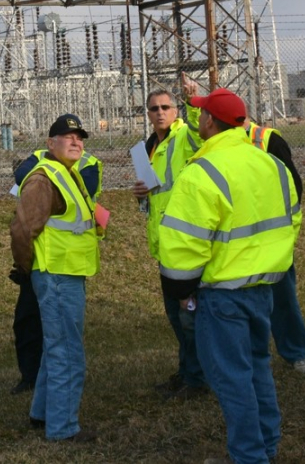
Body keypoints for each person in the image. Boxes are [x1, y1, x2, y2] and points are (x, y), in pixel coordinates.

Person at [156, 88, 300, 464]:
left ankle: (249, 456)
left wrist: (182, 291)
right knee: (257, 367)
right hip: (263, 287)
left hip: (221, 294)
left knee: (232, 378)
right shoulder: (272, 164)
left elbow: (183, 246)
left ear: (208, 122)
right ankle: (266, 446)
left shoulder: (201, 172)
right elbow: (292, 217)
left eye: (201, 114)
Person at [10, 114, 103, 443]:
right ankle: (63, 429)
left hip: (68, 272)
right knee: (67, 353)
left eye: (80, 137)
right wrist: (27, 270)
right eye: (67, 137)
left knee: (57, 347)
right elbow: (22, 230)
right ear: (50, 144)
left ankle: (43, 412)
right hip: (57, 275)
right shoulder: (45, 178)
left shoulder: (68, 174)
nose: (76, 142)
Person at [131, 84, 208, 401]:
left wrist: (193, 100)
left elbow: (203, 134)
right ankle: (187, 371)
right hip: (165, 245)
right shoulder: (147, 148)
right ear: (147, 114)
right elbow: (152, 198)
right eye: (154, 108)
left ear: (176, 111)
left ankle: (197, 379)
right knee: (176, 316)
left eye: (166, 107)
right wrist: (140, 197)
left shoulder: (185, 137)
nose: (160, 113)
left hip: (186, 242)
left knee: (189, 316)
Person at [244, 119, 305, 374]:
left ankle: (296, 354)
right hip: (234, 239)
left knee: (283, 296)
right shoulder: (213, 143)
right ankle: (249, 355)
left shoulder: (268, 140)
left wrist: (285, 232)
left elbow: (293, 188)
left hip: (269, 236)